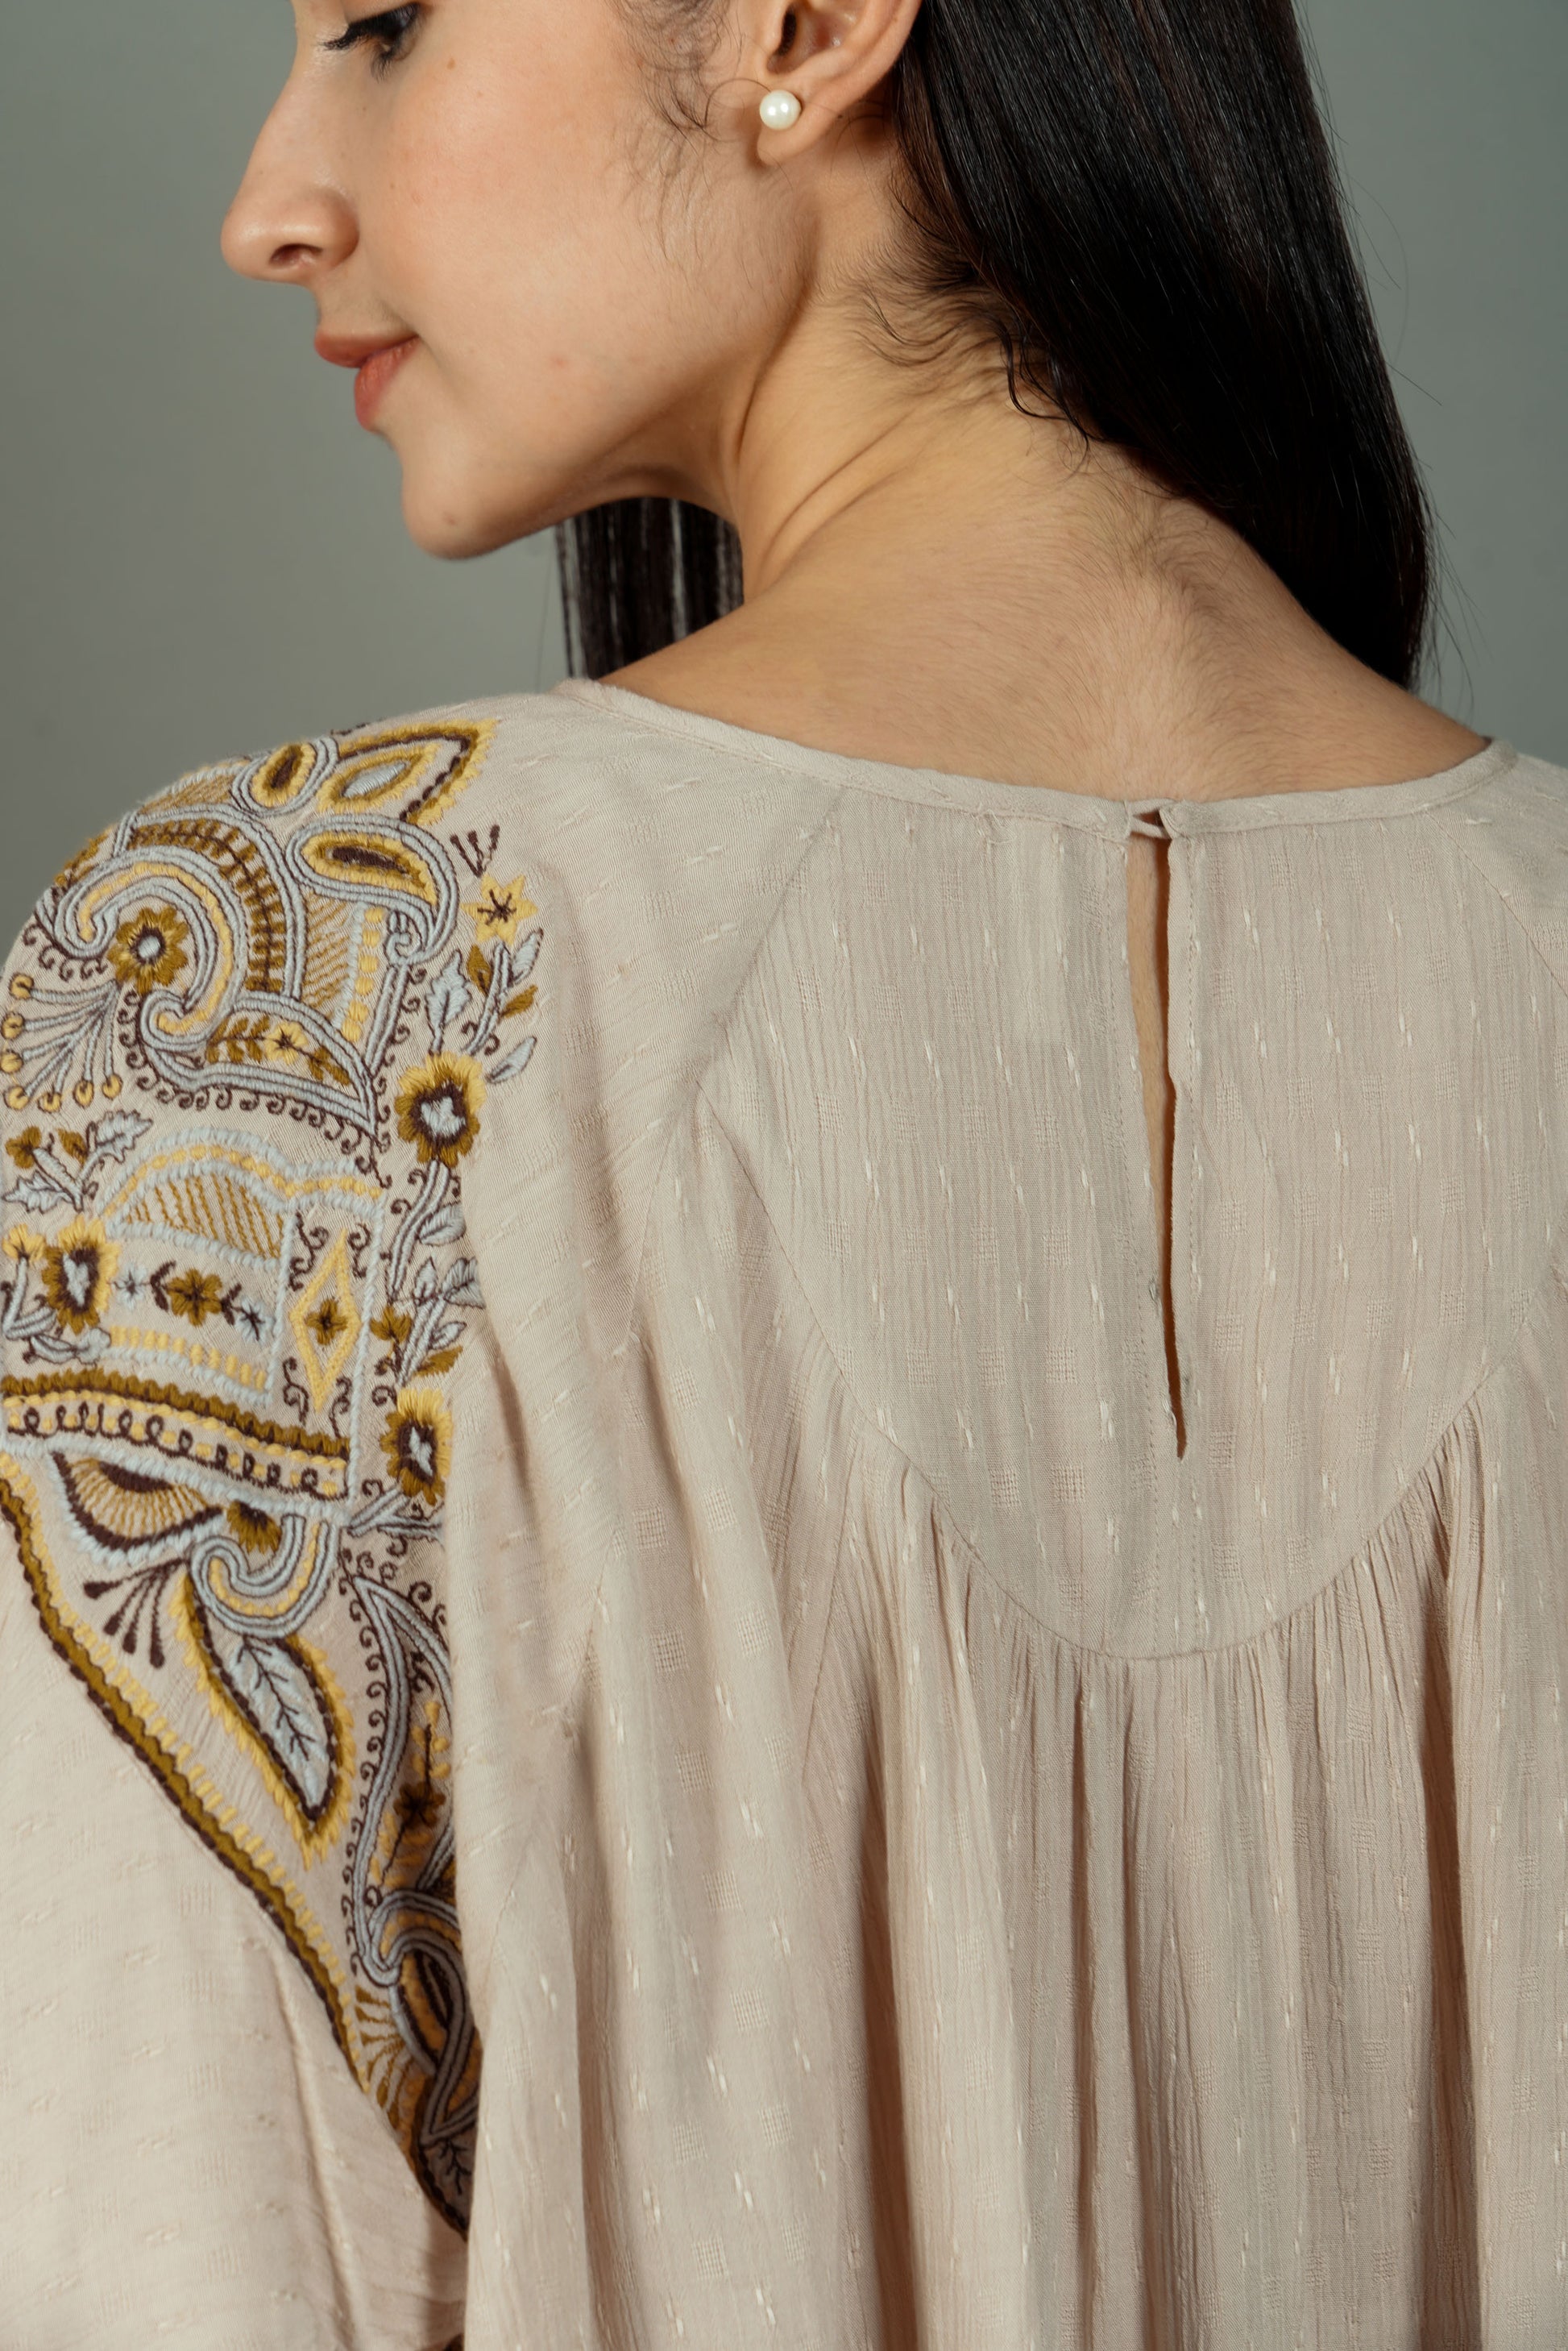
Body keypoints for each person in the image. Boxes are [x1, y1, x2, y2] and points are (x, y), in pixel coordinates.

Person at [2, 0, 1562, 2341]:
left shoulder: (278, 994)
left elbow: (172, 2262)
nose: (270, 203)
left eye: (385, 28)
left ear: (807, 26)